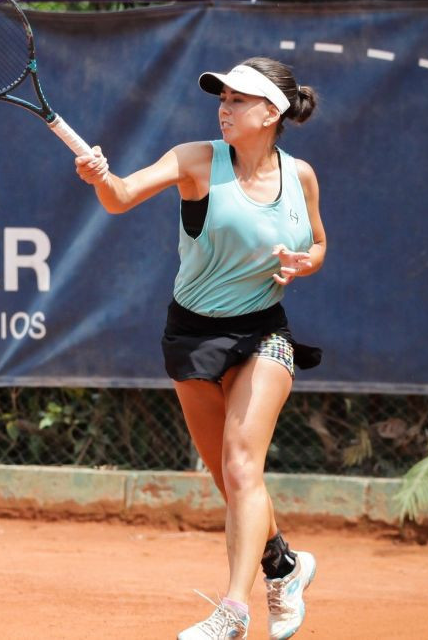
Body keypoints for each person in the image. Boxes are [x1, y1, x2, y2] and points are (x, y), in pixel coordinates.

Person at [75, 57, 326, 640]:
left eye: (240, 100)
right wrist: (100, 178)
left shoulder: (302, 176)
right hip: (191, 334)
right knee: (226, 475)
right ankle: (284, 566)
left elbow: (317, 240)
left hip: (265, 330)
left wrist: (303, 264)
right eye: (223, 98)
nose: (225, 107)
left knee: (242, 465)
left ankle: (234, 611)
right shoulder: (195, 160)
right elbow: (120, 197)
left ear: (272, 112)